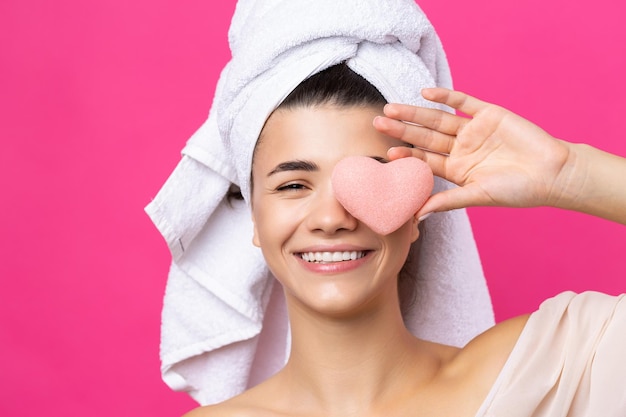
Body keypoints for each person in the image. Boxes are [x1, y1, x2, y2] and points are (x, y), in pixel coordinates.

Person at [179, 64, 625, 417]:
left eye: (368, 177)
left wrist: (570, 175)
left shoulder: (546, 370)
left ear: (416, 213)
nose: (332, 219)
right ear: (254, 219)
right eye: (293, 185)